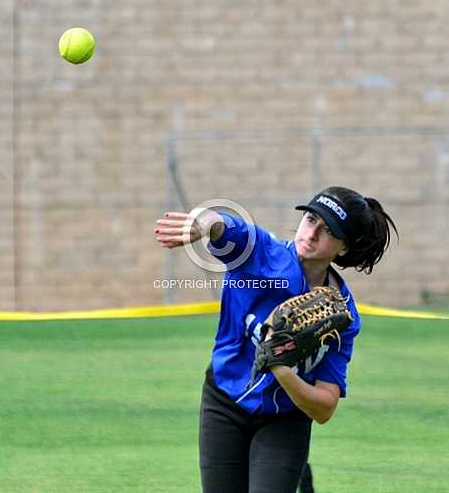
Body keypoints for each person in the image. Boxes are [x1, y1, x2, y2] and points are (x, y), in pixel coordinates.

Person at [154, 186, 398, 493]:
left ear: (343, 247)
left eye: (327, 231)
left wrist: (280, 366)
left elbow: (324, 408)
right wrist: (203, 224)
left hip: (285, 418)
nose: (311, 234)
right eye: (310, 220)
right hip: (225, 401)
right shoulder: (260, 254)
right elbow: (223, 224)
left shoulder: (341, 315)